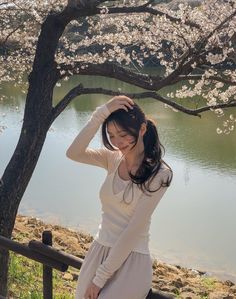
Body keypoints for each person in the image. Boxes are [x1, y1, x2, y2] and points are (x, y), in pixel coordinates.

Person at [66, 95, 173, 299]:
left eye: (123, 134)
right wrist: (101, 113)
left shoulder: (159, 174)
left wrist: (100, 279)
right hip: (99, 250)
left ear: (142, 129)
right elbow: (73, 153)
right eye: (111, 135)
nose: (117, 142)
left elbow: (134, 229)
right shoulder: (112, 159)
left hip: (132, 258)